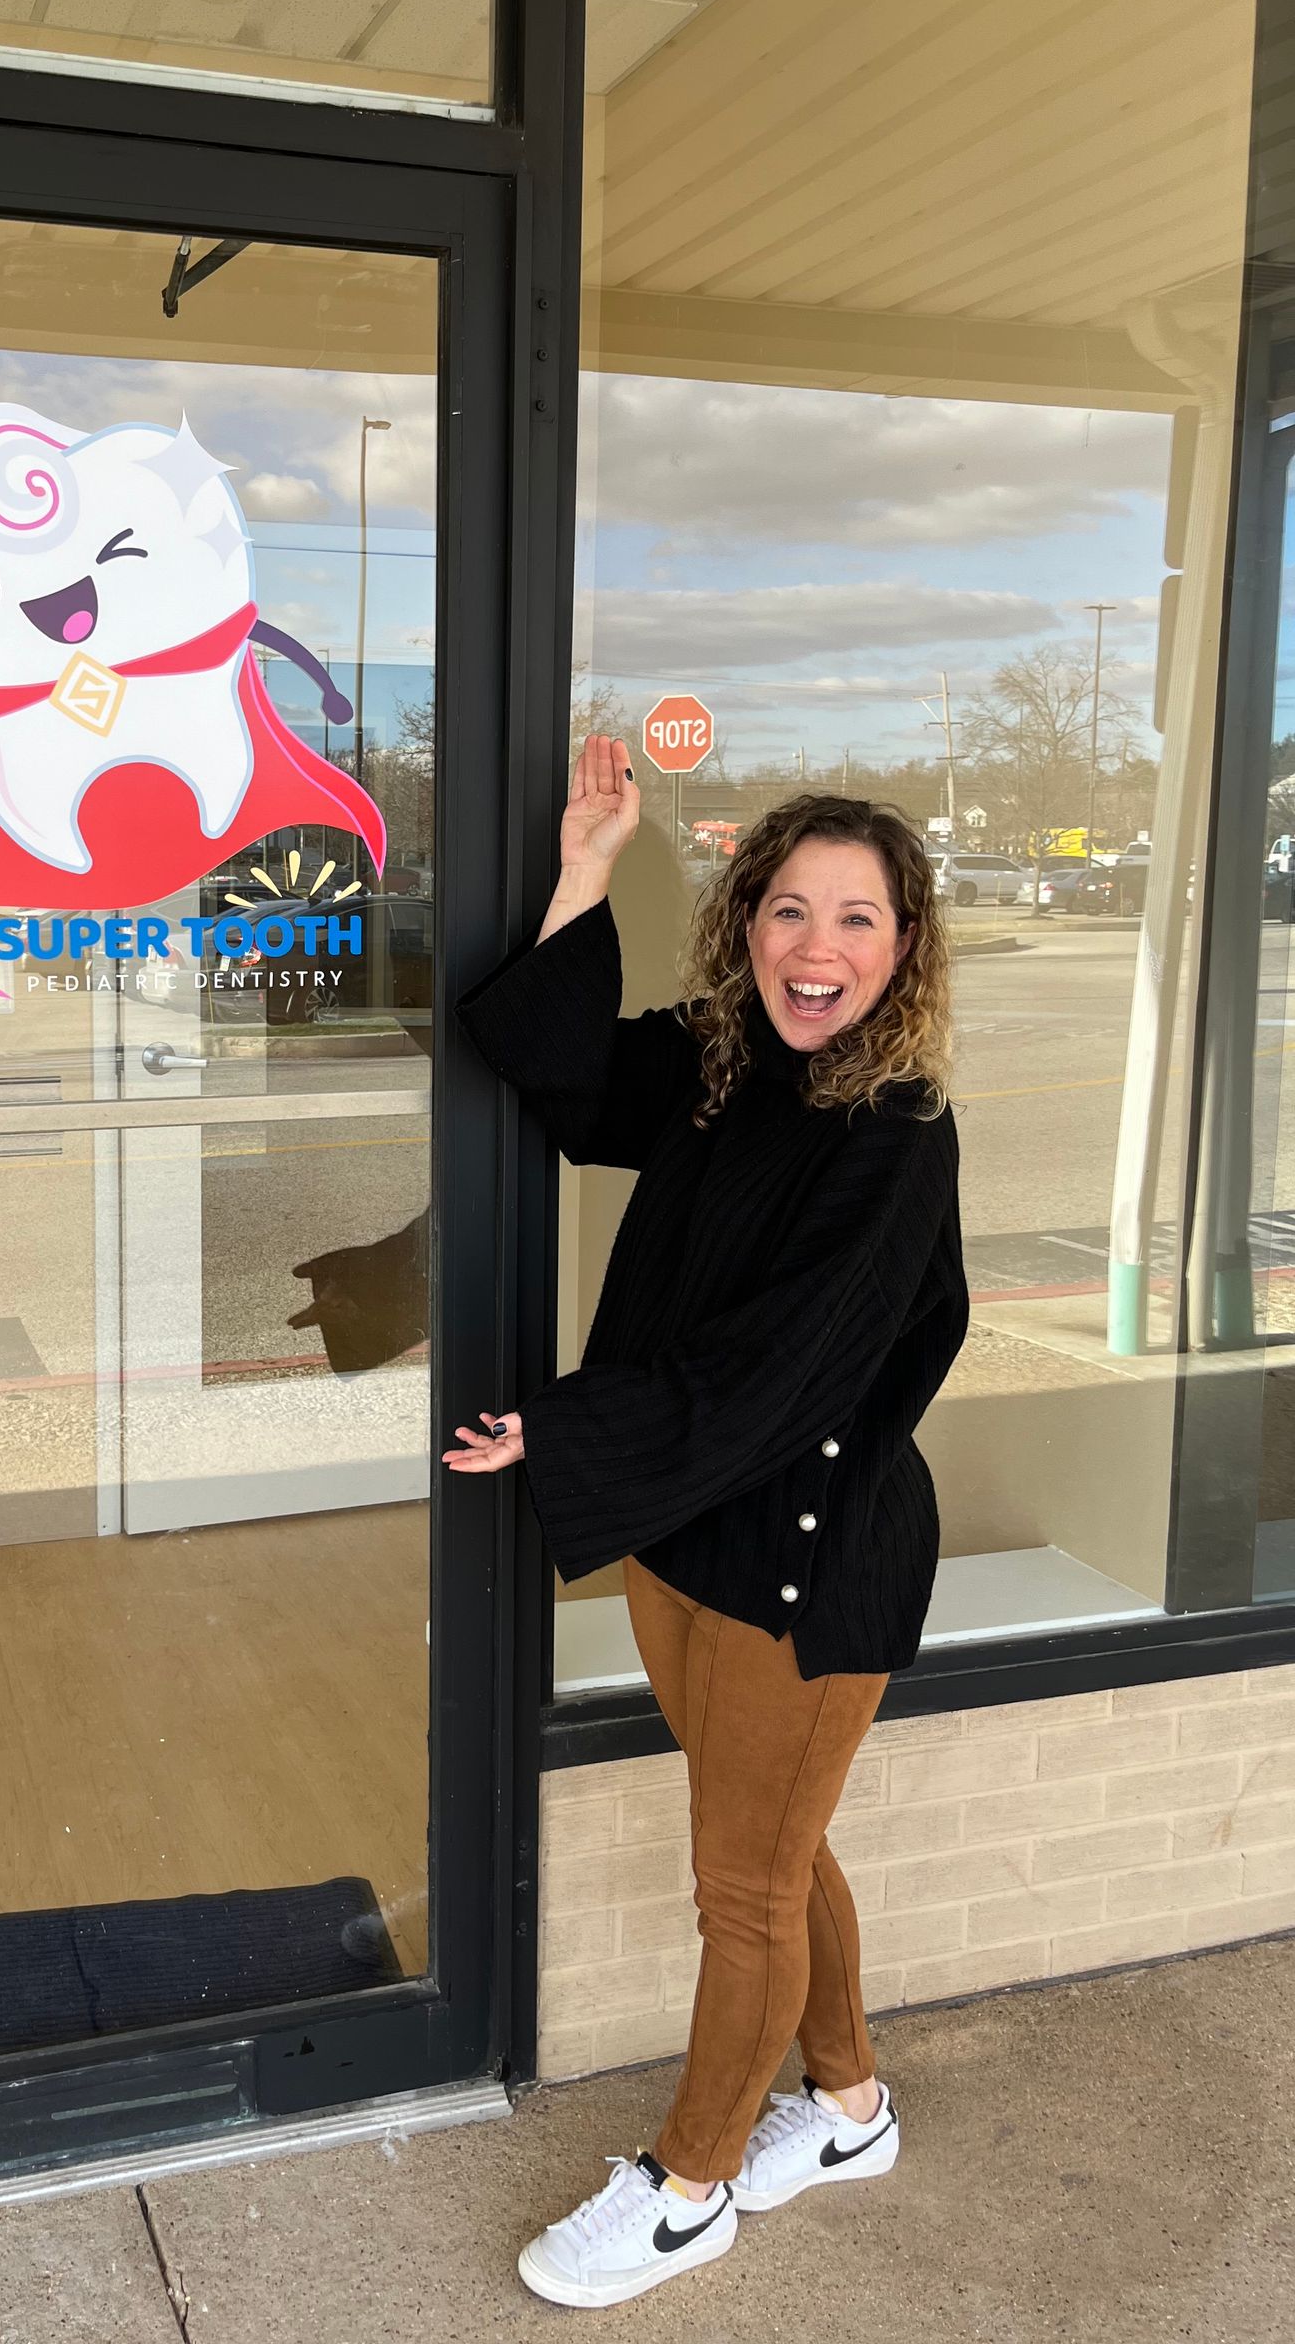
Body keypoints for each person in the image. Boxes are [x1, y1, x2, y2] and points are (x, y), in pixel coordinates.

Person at [448, 738, 966, 2312]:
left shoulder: (898, 1129)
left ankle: (690, 2188)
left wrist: (563, 1428)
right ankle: (851, 2106)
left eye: (857, 918)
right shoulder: (723, 1059)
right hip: (688, 1535)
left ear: (905, 946)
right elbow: (562, 1077)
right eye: (788, 909)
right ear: (746, 923)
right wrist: (587, 870)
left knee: (742, 1889)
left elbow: (786, 1370)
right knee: (777, 1848)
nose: (818, 947)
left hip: (807, 1554)